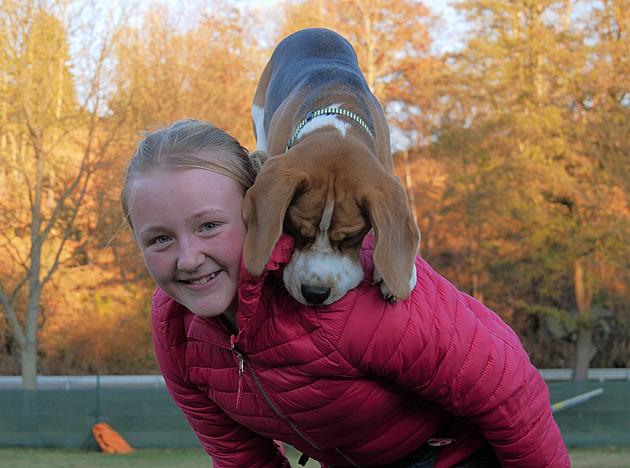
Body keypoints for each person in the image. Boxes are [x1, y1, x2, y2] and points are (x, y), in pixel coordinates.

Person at [121, 119, 570, 468]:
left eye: (209, 226)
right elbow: (240, 456)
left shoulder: (359, 293)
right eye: (159, 239)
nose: (188, 258)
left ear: (261, 211)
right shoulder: (176, 330)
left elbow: (511, 392)